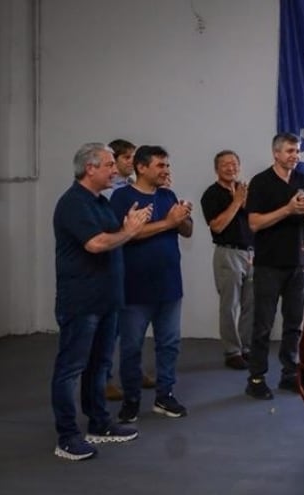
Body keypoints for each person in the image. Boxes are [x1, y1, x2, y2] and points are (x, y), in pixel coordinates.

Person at [51, 142, 152, 460]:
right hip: (81, 302)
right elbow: (95, 244)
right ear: (90, 168)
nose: (116, 169)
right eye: (109, 164)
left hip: (107, 300)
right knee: (70, 369)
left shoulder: (100, 202)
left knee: (99, 366)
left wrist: (129, 226)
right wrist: (129, 231)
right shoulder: (73, 203)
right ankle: (67, 437)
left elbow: (113, 235)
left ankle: (99, 424)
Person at [110, 145, 193, 422]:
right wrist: (168, 222)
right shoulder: (122, 197)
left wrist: (182, 218)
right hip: (135, 288)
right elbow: (126, 234)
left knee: (169, 344)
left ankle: (164, 395)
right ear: (141, 167)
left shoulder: (168, 195)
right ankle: (131, 400)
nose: (166, 171)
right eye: (160, 165)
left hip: (169, 286)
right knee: (131, 347)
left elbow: (187, 231)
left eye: (167, 165)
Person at [244, 133, 304, 400]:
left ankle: (289, 374)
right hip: (269, 264)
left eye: (297, 151)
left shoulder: (302, 180)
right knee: (263, 325)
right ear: (276, 153)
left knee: (294, 324)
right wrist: (287, 210)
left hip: (297, 263)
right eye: (290, 151)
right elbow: (254, 223)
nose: (295, 156)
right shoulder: (261, 182)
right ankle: (256, 378)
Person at [102, 138, 156, 401]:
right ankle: (103, 379)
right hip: (111, 262)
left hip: (131, 263)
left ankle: (133, 371)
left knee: (133, 325)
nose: (132, 162)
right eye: (126, 158)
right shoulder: (108, 192)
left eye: (134, 157)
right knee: (110, 327)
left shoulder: (132, 187)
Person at [200, 150, 254, 370]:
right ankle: (232, 351)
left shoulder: (246, 190)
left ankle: (247, 347)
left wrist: (245, 201)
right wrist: (237, 201)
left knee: (252, 303)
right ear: (217, 169)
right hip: (228, 253)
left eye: (234, 164)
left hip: (251, 253)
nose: (231, 168)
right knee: (229, 305)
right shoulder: (211, 194)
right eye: (225, 164)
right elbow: (217, 226)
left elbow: (255, 221)